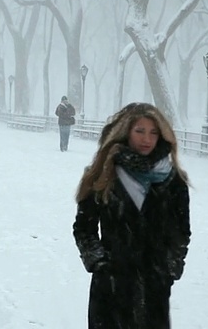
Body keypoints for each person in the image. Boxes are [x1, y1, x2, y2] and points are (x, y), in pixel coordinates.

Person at [72, 102, 191, 329]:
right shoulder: (102, 174)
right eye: (140, 131)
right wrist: (100, 264)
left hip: (154, 290)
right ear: (126, 131)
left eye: (154, 133)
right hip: (111, 289)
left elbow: (181, 231)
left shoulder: (173, 181)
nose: (147, 139)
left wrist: (168, 270)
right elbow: (84, 228)